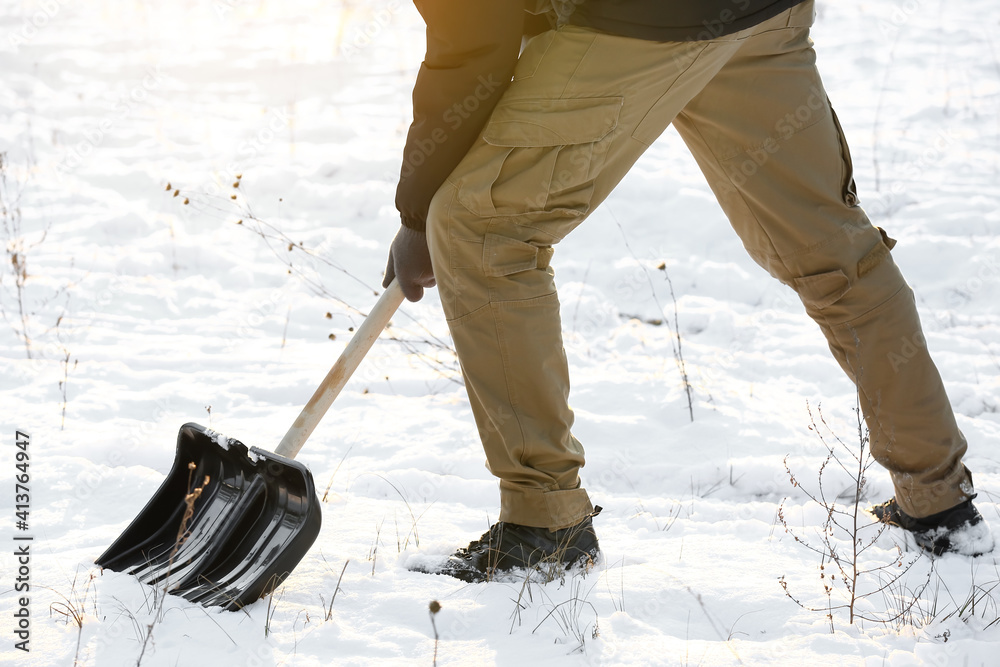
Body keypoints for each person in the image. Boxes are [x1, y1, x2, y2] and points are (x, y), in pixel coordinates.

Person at [382, 0, 993, 582]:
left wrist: (418, 213)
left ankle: (544, 526)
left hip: (655, 21)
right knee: (833, 254)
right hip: (760, 15)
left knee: (480, 227)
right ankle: (940, 501)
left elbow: (473, 41)